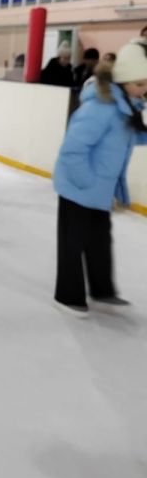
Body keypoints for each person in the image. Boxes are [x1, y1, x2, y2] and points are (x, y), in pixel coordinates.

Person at [53, 39, 147, 317]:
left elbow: (131, 137)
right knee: (73, 243)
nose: (145, 90)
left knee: (99, 241)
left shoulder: (126, 107)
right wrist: (85, 182)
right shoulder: (100, 108)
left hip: (99, 190)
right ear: (123, 80)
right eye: (140, 84)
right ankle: (67, 295)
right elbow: (72, 150)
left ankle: (102, 290)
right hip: (79, 187)